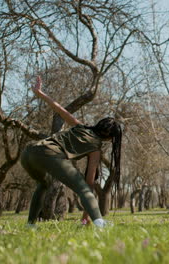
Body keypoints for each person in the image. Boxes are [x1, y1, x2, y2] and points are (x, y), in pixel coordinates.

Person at [21, 76, 122, 228]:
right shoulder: (96, 147)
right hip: (50, 154)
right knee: (83, 189)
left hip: (29, 152)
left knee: (43, 183)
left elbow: (60, 110)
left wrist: (40, 93)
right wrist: (86, 217)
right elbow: (88, 184)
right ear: (109, 137)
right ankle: (100, 224)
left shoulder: (81, 126)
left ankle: (30, 224)